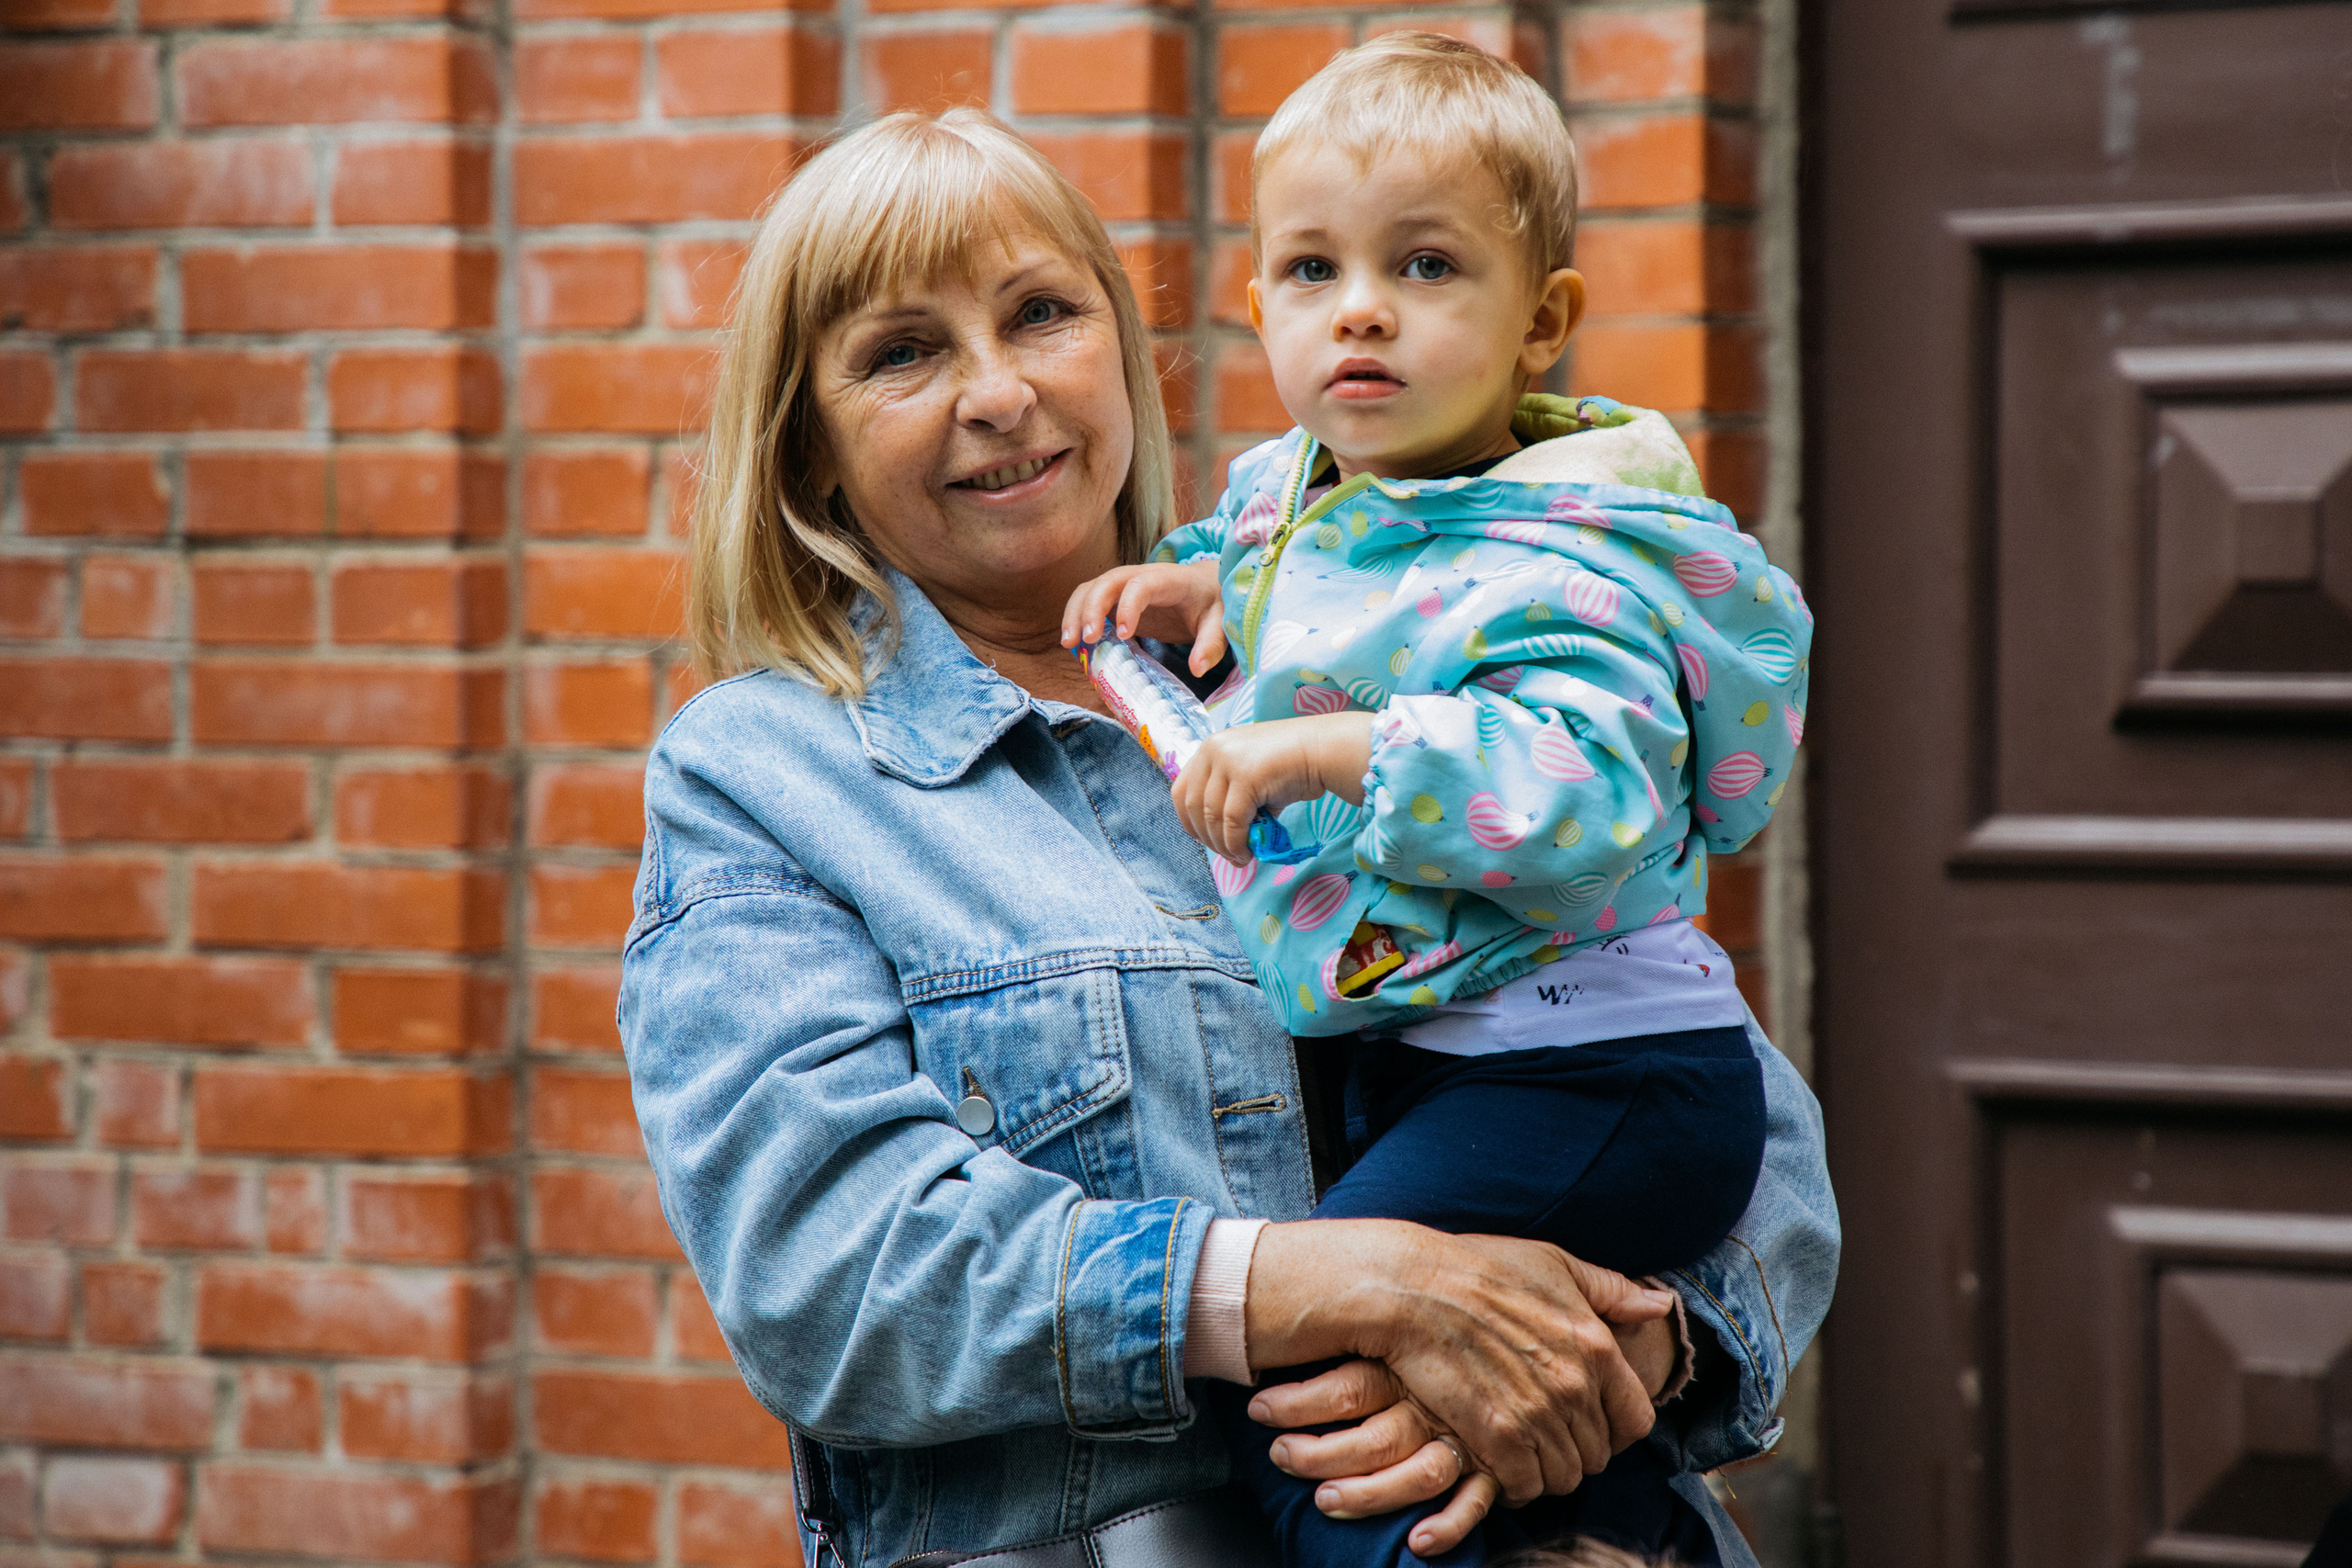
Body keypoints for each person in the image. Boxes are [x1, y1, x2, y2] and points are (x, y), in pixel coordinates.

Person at [616, 105, 1838, 1568]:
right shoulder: (770, 777)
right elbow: (832, 1278)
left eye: (1041, 314)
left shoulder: (1360, 633)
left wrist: (1625, 1360)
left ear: (1123, 356)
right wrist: (1349, 1291)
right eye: (902, 353)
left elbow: (1731, 1110)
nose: (999, 392)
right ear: (808, 449)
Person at [1058, 34, 1813, 1568]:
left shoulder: (1568, 557)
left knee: (1310, 1409)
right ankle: (1607, 1543)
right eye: (1312, 267)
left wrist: (1332, 754)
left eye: (1424, 265)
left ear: (1541, 323)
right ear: (1253, 300)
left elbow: (1583, 790)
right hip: (1454, 1065)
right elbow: (1328, 583)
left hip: (1599, 1072)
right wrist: (1203, 579)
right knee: (1454, 1394)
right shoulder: (1302, 498)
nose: (1363, 309)